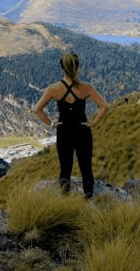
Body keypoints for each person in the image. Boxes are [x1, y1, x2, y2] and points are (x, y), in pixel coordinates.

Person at [33, 51, 108, 199]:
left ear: (62, 68)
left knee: (65, 169)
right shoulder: (86, 88)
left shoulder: (54, 89)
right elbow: (104, 107)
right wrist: (92, 122)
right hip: (82, 131)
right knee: (86, 168)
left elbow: (37, 109)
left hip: (64, 132)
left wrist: (52, 123)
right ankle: (88, 199)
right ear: (77, 67)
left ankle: (65, 201)